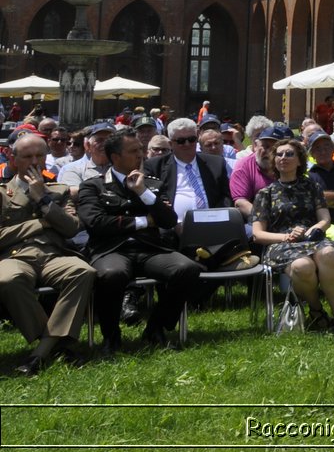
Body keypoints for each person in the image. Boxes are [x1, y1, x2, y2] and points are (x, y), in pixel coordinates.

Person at [78, 128, 203, 351]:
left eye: (141, 150)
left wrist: (143, 192)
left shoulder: (152, 185)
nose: (141, 155)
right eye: (134, 151)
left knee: (187, 268)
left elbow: (168, 220)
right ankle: (111, 336)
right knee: (112, 274)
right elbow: (96, 222)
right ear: (116, 157)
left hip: (149, 249)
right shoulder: (93, 186)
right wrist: (144, 221)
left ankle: (156, 329)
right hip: (111, 250)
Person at [0, 132, 95, 374]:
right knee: (7, 279)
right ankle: (57, 344)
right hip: (15, 256)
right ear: (14, 158)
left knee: (82, 271)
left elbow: (72, 227)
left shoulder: (59, 191)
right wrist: (41, 224)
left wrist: (43, 199)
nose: (33, 161)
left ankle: (41, 353)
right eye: (27, 156)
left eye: (39, 156)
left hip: (54, 254)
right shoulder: (3, 193)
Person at [251, 137, 334, 335]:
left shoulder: (312, 187)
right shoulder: (265, 194)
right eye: (279, 154)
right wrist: (286, 238)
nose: (284, 158)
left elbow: (325, 218)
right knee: (303, 266)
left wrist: (314, 229)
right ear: (274, 160)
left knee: (328, 253)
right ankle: (316, 309)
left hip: (311, 239)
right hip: (280, 245)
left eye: (289, 154)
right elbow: (258, 234)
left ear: (300, 160)